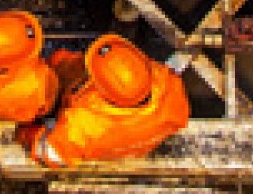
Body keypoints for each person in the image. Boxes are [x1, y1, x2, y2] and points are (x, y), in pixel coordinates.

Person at [20, 32, 190, 166]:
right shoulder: (168, 87)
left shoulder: (84, 125)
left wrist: (28, 133)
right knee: (65, 63)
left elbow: (50, 152)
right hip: (140, 138)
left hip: (98, 144)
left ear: (100, 91)